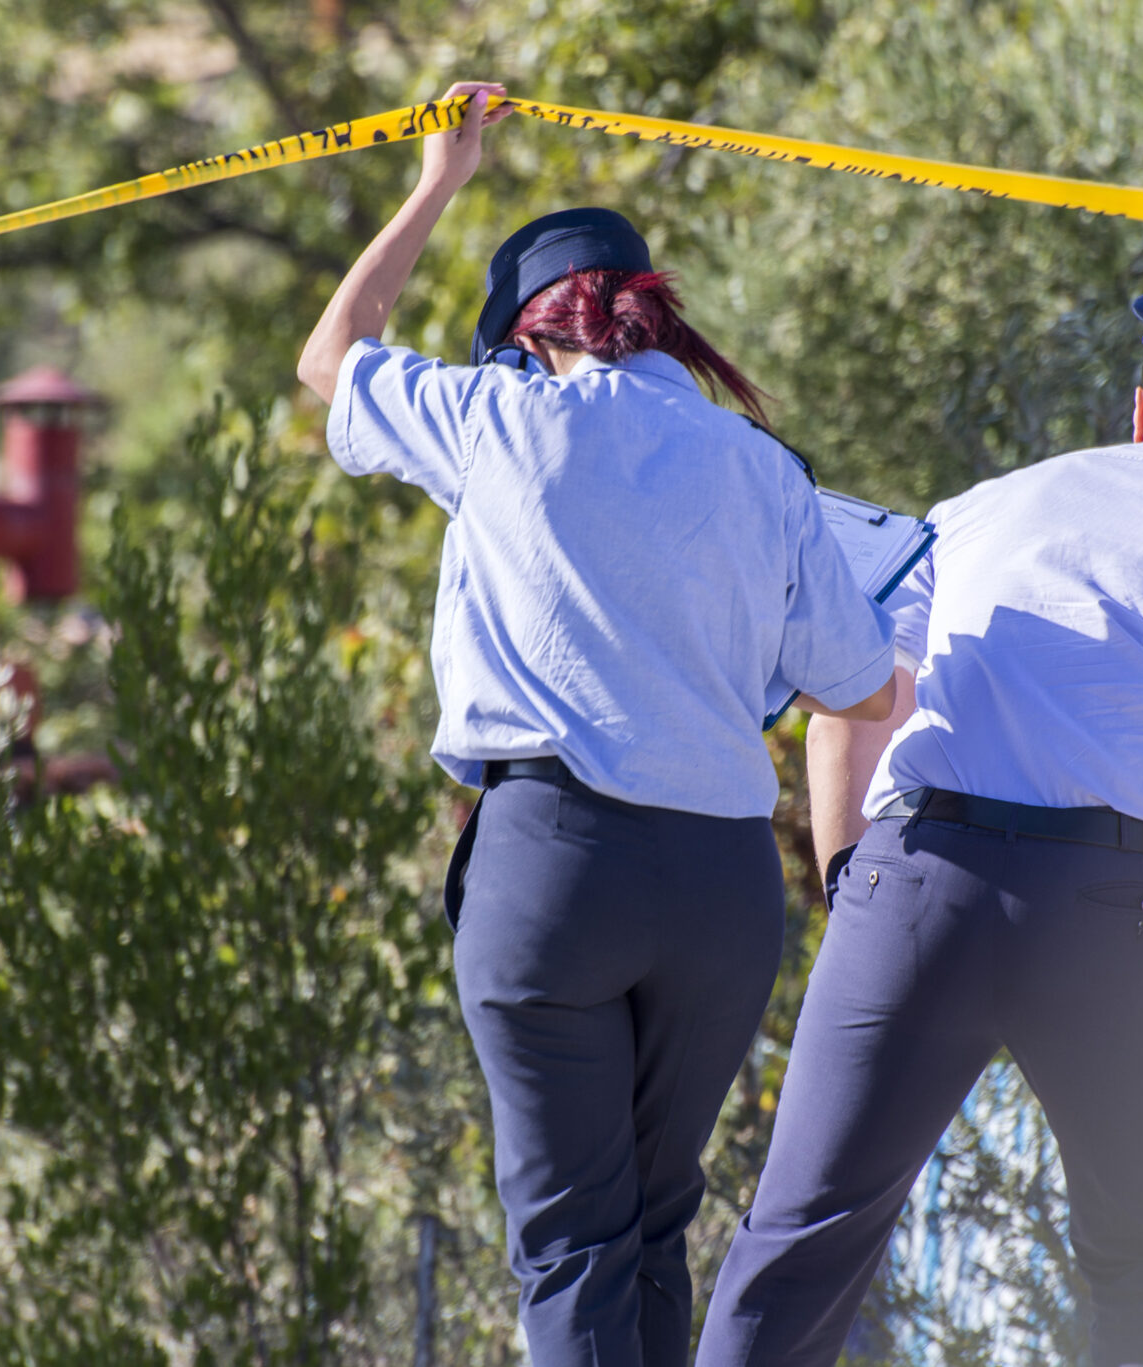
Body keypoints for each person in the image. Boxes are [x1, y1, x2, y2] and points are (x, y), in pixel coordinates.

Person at [295, 82, 899, 1366]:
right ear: (655, 321)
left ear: (522, 338)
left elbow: (329, 355)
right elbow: (862, 687)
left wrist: (434, 183)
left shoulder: (496, 420)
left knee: (571, 1239)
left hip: (553, 863)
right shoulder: (763, 467)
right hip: (724, 882)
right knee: (651, 1224)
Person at [694, 285, 1143, 1367]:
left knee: (796, 1243)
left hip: (916, 877)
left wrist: (861, 899)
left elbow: (853, 703)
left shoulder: (980, 504)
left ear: (1140, 411)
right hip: (1124, 915)